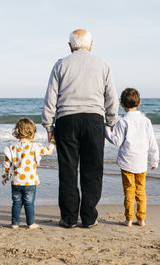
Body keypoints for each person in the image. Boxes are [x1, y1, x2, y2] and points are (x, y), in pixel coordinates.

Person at [42, 29, 119, 228]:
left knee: (68, 170)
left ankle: (69, 218)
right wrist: (110, 121)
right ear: (90, 44)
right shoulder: (103, 64)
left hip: (67, 119)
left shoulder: (61, 64)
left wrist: (48, 125)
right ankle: (89, 217)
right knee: (92, 170)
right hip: (94, 120)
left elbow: (51, 97)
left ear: (70, 46)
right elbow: (111, 97)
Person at [105, 88, 159, 227]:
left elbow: (116, 141)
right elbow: (152, 142)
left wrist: (106, 129)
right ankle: (141, 219)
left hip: (127, 162)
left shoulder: (123, 122)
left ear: (121, 104)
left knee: (129, 190)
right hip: (141, 162)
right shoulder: (146, 121)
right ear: (139, 103)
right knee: (140, 191)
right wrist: (154, 160)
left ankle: (129, 219)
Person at [2, 117, 55, 229]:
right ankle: (30, 223)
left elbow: (6, 163)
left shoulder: (12, 147)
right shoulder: (34, 146)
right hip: (30, 181)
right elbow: (48, 151)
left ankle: (14, 223)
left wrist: (4, 176)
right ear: (32, 133)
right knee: (29, 203)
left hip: (15, 181)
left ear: (17, 131)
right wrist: (53, 141)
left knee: (16, 203)